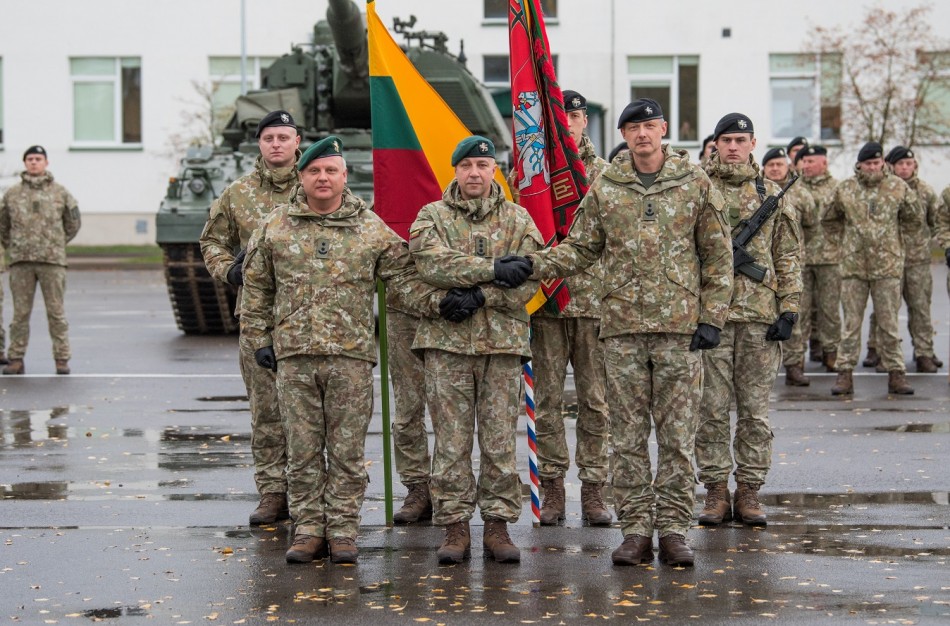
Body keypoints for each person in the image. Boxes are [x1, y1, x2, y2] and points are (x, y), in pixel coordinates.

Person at [508, 99, 733, 566]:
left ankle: (674, 530)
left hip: (679, 331)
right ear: (624, 135)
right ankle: (635, 531)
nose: (642, 134)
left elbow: (717, 255)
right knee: (627, 437)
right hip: (622, 330)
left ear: (663, 129)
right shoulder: (607, 186)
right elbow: (580, 248)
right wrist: (532, 265)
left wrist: (712, 318)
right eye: (633, 128)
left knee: (677, 437)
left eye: (649, 126)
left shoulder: (694, 182)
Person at [241, 136, 440, 565]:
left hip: (351, 359)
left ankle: (344, 531)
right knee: (302, 451)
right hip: (294, 358)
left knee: (347, 452)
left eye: (331, 170)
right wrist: (259, 340)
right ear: (302, 176)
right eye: (314, 171)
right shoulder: (275, 226)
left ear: (344, 176)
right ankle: (309, 530)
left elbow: (404, 281)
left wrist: (444, 302)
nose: (323, 178)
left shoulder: (369, 227)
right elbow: (256, 289)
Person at [409, 135, 542, 564]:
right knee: (451, 441)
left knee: (499, 441)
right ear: (455, 170)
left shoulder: (518, 218)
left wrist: (483, 296)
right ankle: (455, 526)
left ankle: (498, 527)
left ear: (493, 170)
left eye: (482, 165)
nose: (474, 173)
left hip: (501, 345)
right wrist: (492, 269)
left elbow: (529, 278)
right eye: (466, 165)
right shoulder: (432, 216)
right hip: (446, 345)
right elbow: (430, 263)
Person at [696, 115, 801, 528]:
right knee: (711, 411)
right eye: (727, 140)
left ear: (753, 143)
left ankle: (750, 490)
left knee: (755, 413)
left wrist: (789, 308)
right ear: (715, 144)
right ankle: (715, 491)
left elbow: (787, 255)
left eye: (741, 139)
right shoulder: (698, 190)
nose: (734, 147)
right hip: (712, 318)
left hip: (759, 318)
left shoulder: (771, 193)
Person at [199, 110, 301, 526]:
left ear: (297, 142)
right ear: (259, 144)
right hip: (258, 317)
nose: (276, 144)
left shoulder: (319, 184)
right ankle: (273, 492)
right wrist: (229, 270)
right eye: (268, 138)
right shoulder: (238, 193)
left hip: (313, 315)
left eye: (283, 137)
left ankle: (312, 494)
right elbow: (212, 241)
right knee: (266, 410)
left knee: (313, 413)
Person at [529, 89, 612, 527]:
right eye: (559, 116)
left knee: (595, 401)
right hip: (546, 301)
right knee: (546, 402)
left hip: (594, 302)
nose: (568, 123)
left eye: (574, 116)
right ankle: (553, 487)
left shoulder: (608, 176)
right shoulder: (533, 173)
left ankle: (595, 488)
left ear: (584, 122)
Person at [823, 141, 921, 395]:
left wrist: (897, 245)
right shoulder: (845, 188)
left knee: (889, 324)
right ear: (859, 165)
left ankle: (896, 373)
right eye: (868, 164)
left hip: (887, 267)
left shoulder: (897, 187)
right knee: (851, 324)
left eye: (876, 163)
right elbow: (829, 219)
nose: (873, 167)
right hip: (854, 267)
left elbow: (914, 218)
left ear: (883, 163)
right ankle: (844, 374)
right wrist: (844, 244)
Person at [1, 145, 81, 375]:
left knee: (56, 312)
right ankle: (16, 358)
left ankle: (61, 358)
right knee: (20, 314)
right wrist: (15, 245)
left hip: (52, 261)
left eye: (38, 159)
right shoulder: (12, 194)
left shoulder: (60, 193)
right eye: (30, 159)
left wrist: (55, 243)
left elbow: (73, 223)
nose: (34, 162)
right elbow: (3, 225)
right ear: (25, 163)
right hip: (21, 261)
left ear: (46, 162)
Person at [863, 146, 942, 373]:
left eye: (909, 164)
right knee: (885, 309)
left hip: (917, 260)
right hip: (888, 260)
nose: (905, 168)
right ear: (891, 166)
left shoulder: (925, 191)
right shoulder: (882, 190)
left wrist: (923, 242)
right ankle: (880, 351)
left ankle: (924, 352)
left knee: (920, 308)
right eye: (900, 164)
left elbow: (934, 222)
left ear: (914, 165)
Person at [762, 147, 818, 386]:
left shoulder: (801, 194)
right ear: (764, 168)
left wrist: (797, 251)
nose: (775, 169)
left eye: (779, 164)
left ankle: (794, 365)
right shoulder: (755, 190)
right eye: (771, 165)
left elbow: (812, 226)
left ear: (788, 167)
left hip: (791, 265)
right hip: (760, 267)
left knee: (793, 315)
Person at [797, 145, 841, 371]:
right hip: (801, 258)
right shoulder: (795, 187)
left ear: (824, 163)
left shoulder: (837, 188)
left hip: (829, 258)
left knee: (829, 310)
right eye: (804, 161)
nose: (806, 165)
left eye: (811, 161)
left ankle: (831, 353)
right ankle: (797, 358)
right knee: (799, 311)